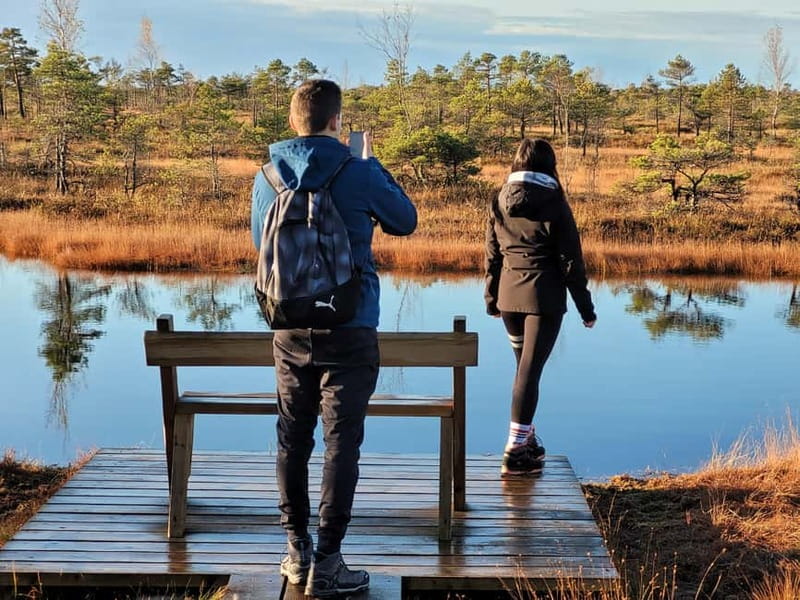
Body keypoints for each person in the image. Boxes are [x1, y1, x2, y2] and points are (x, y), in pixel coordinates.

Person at [251, 79, 417, 597]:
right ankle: (329, 561)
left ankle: (295, 552)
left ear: (294, 120)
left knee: (291, 438)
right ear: (336, 121)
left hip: (289, 326)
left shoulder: (266, 176)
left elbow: (262, 243)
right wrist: (372, 165)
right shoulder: (358, 170)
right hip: (351, 325)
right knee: (341, 443)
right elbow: (406, 221)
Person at [484, 138, 596, 477]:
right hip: (543, 300)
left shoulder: (499, 199)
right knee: (529, 374)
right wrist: (585, 308)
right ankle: (516, 450)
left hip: (508, 299)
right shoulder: (555, 203)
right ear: (550, 166)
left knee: (523, 372)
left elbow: (492, 255)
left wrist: (491, 298)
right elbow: (570, 261)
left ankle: (527, 441)